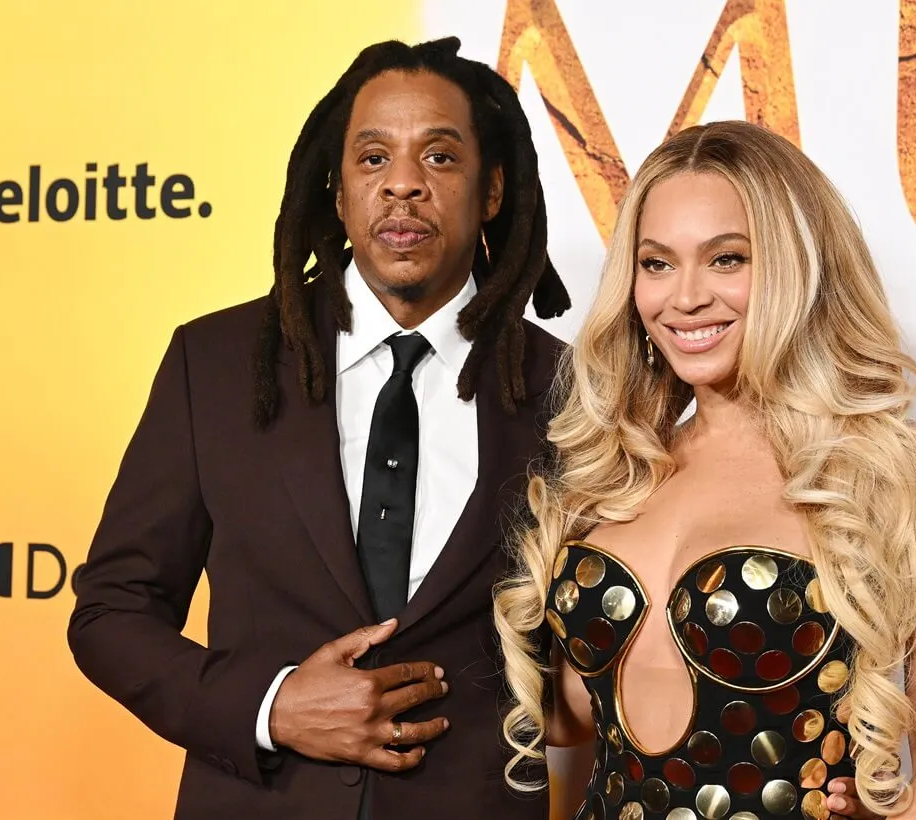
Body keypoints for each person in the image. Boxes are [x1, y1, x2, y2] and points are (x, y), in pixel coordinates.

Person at [67, 37, 573, 820]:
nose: (402, 184)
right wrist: (270, 709)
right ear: (337, 191)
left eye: (439, 158)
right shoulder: (218, 362)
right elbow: (112, 610)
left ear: (494, 188)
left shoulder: (570, 388)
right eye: (373, 159)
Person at [495, 121, 916, 820]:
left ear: (796, 265)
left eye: (727, 259)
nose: (686, 297)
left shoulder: (897, 471)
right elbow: (573, 724)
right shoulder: (613, 472)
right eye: (657, 263)